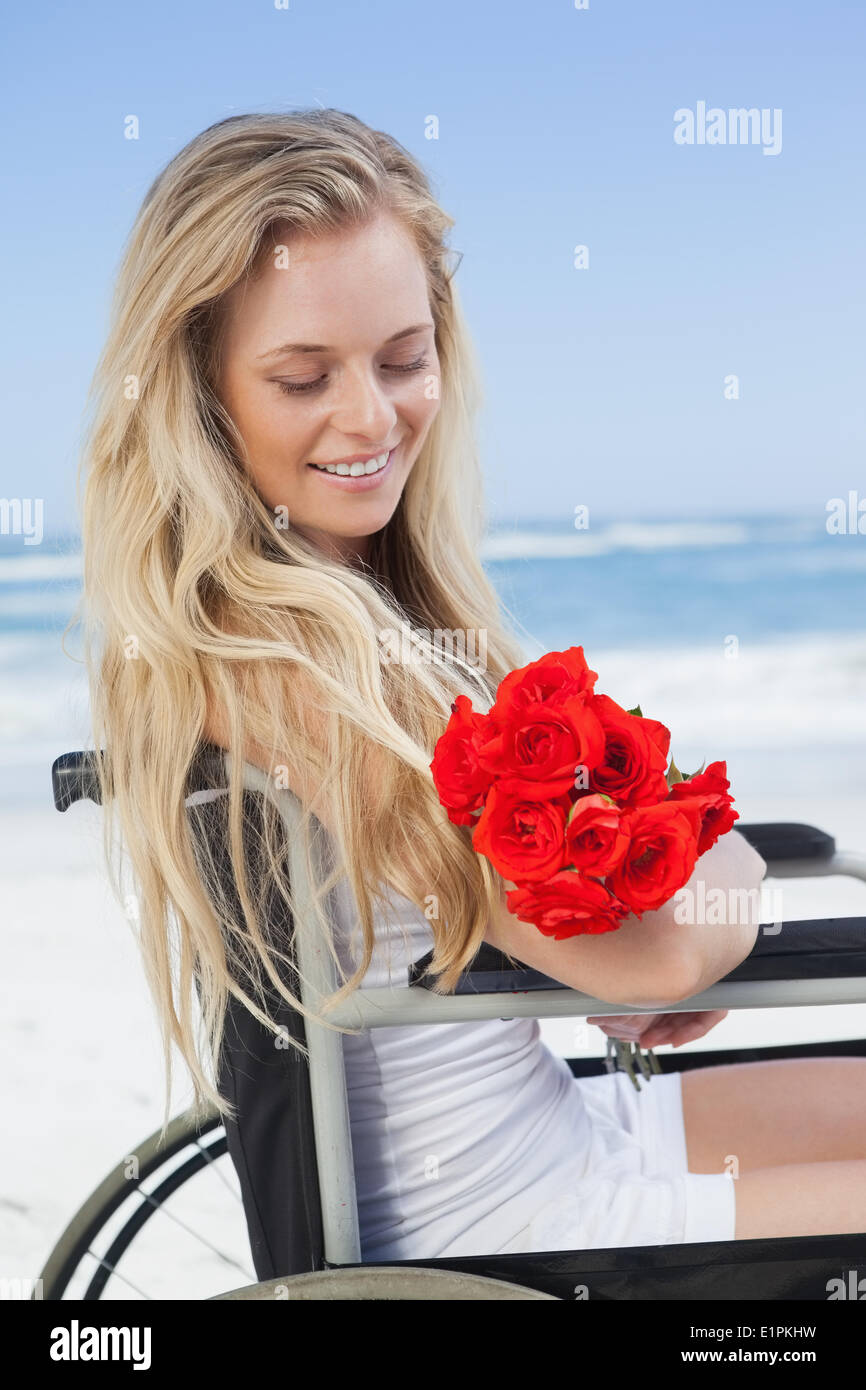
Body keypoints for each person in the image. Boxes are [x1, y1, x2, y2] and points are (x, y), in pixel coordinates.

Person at [78, 109, 866, 1262]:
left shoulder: (353, 614)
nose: (370, 416)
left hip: (557, 1126)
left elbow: (579, 944)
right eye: (303, 378)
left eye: (403, 358)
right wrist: (719, 874)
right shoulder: (287, 658)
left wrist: (657, 913)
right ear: (200, 395)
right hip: (509, 1219)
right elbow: (649, 960)